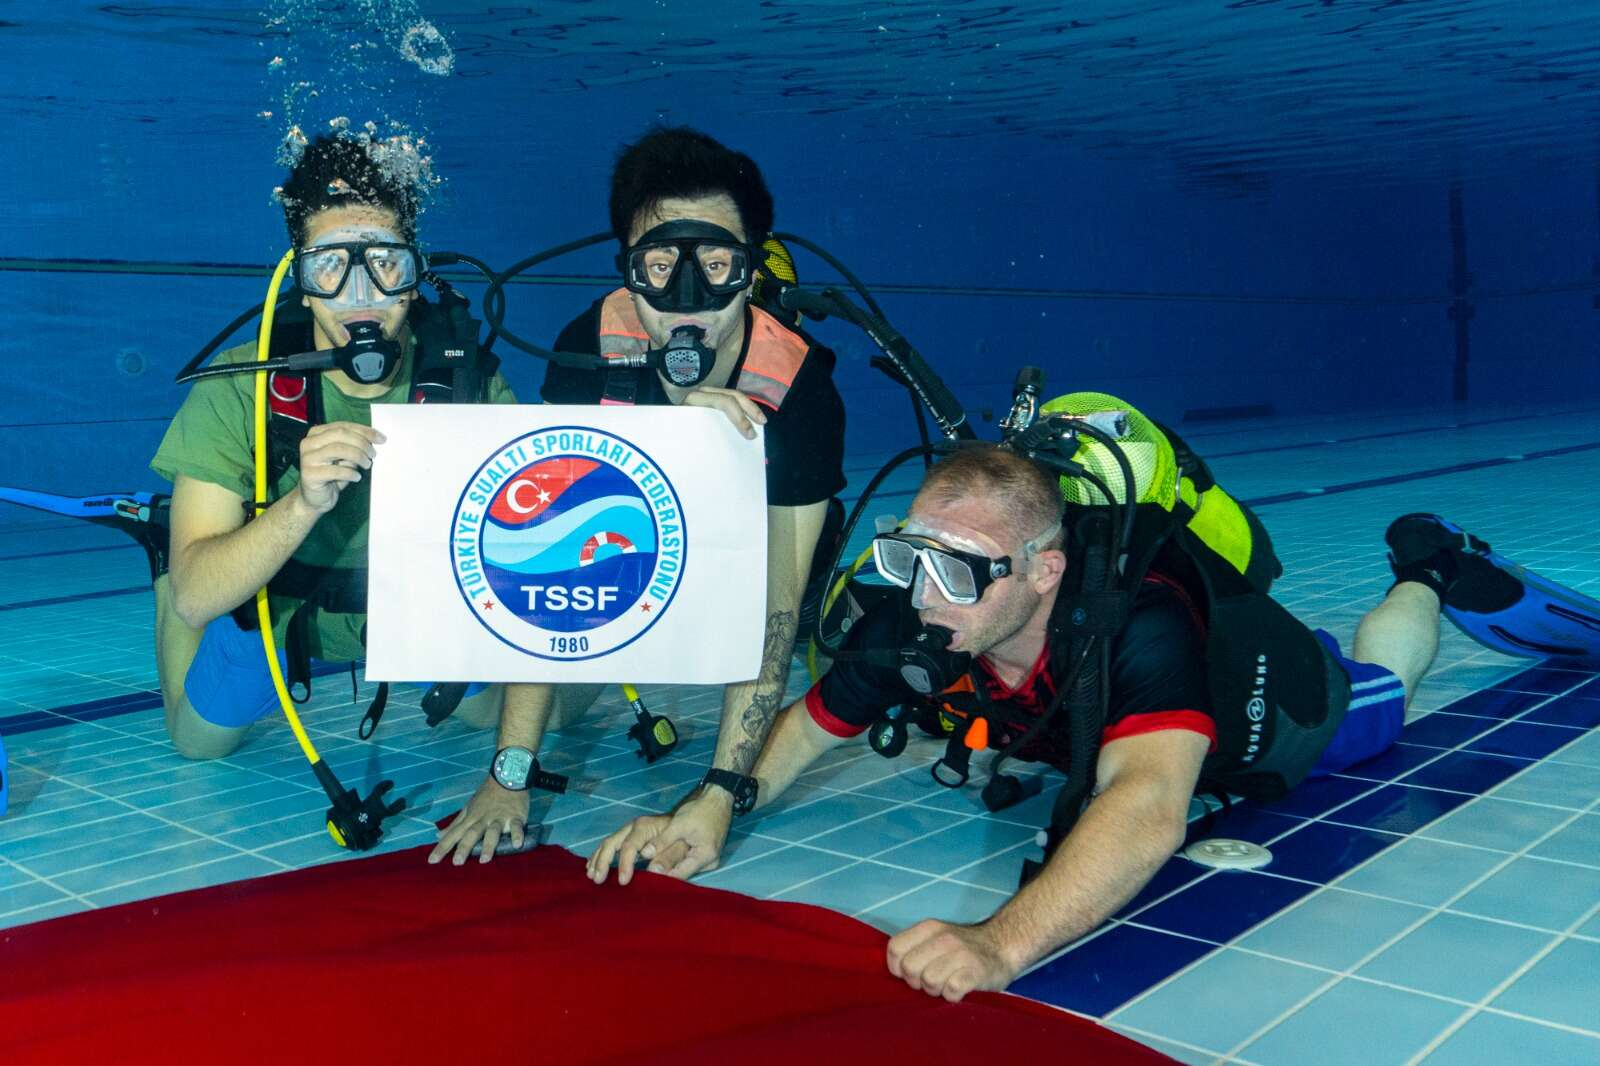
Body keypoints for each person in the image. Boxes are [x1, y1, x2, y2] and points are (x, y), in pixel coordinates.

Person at [591, 438, 1491, 1001]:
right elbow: (808, 726)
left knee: (1379, 691)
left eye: (958, 571)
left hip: (1269, 708)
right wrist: (711, 806)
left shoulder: (1140, 619)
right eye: (909, 558)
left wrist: (999, 943)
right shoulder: (921, 606)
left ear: (1043, 572)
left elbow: (1149, 806)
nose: (923, 596)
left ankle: (1426, 570)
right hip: (1112, 724)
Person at [431, 127, 847, 864]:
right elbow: (548, 556)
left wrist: (719, 795)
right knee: (491, 713)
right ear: (628, 268)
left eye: (715, 265)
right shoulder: (588, 347)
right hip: (623, 552)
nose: (688, 301)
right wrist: (509, 773)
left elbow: (774, 608)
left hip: (741, 569)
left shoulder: (800, 387)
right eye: (659, 267)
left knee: (789, 601)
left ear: (750, 269)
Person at [151, 133, 522, 759]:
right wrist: (300, 504)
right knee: (198, 743)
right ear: (300, 281)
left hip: (413, 617)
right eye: (329, 265)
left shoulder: (470, 383)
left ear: (414, 277)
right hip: (278, 614)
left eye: (385, 263)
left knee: (506, 717)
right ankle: (160, 561)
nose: (360, 293)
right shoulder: (241, 385)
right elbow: (196, 599)